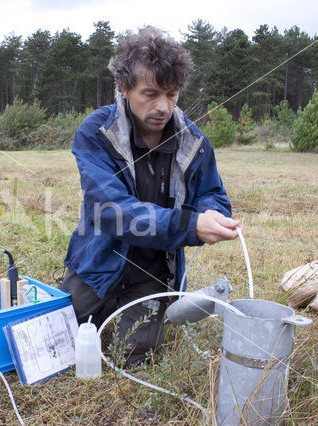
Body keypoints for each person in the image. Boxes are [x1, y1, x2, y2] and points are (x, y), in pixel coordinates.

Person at [60, 26, 241, 366]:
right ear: (124, 88)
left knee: (133, 354)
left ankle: (143, 310)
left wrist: (211, 214)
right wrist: (189, 225)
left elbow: (212, 193)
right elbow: (110, 211)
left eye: (171, 95)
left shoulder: (194, 141)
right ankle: (91, 298)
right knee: (62, 340)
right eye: (151, 93)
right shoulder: (96, 132)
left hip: (155, 271)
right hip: (98, 261)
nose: (163, 107)